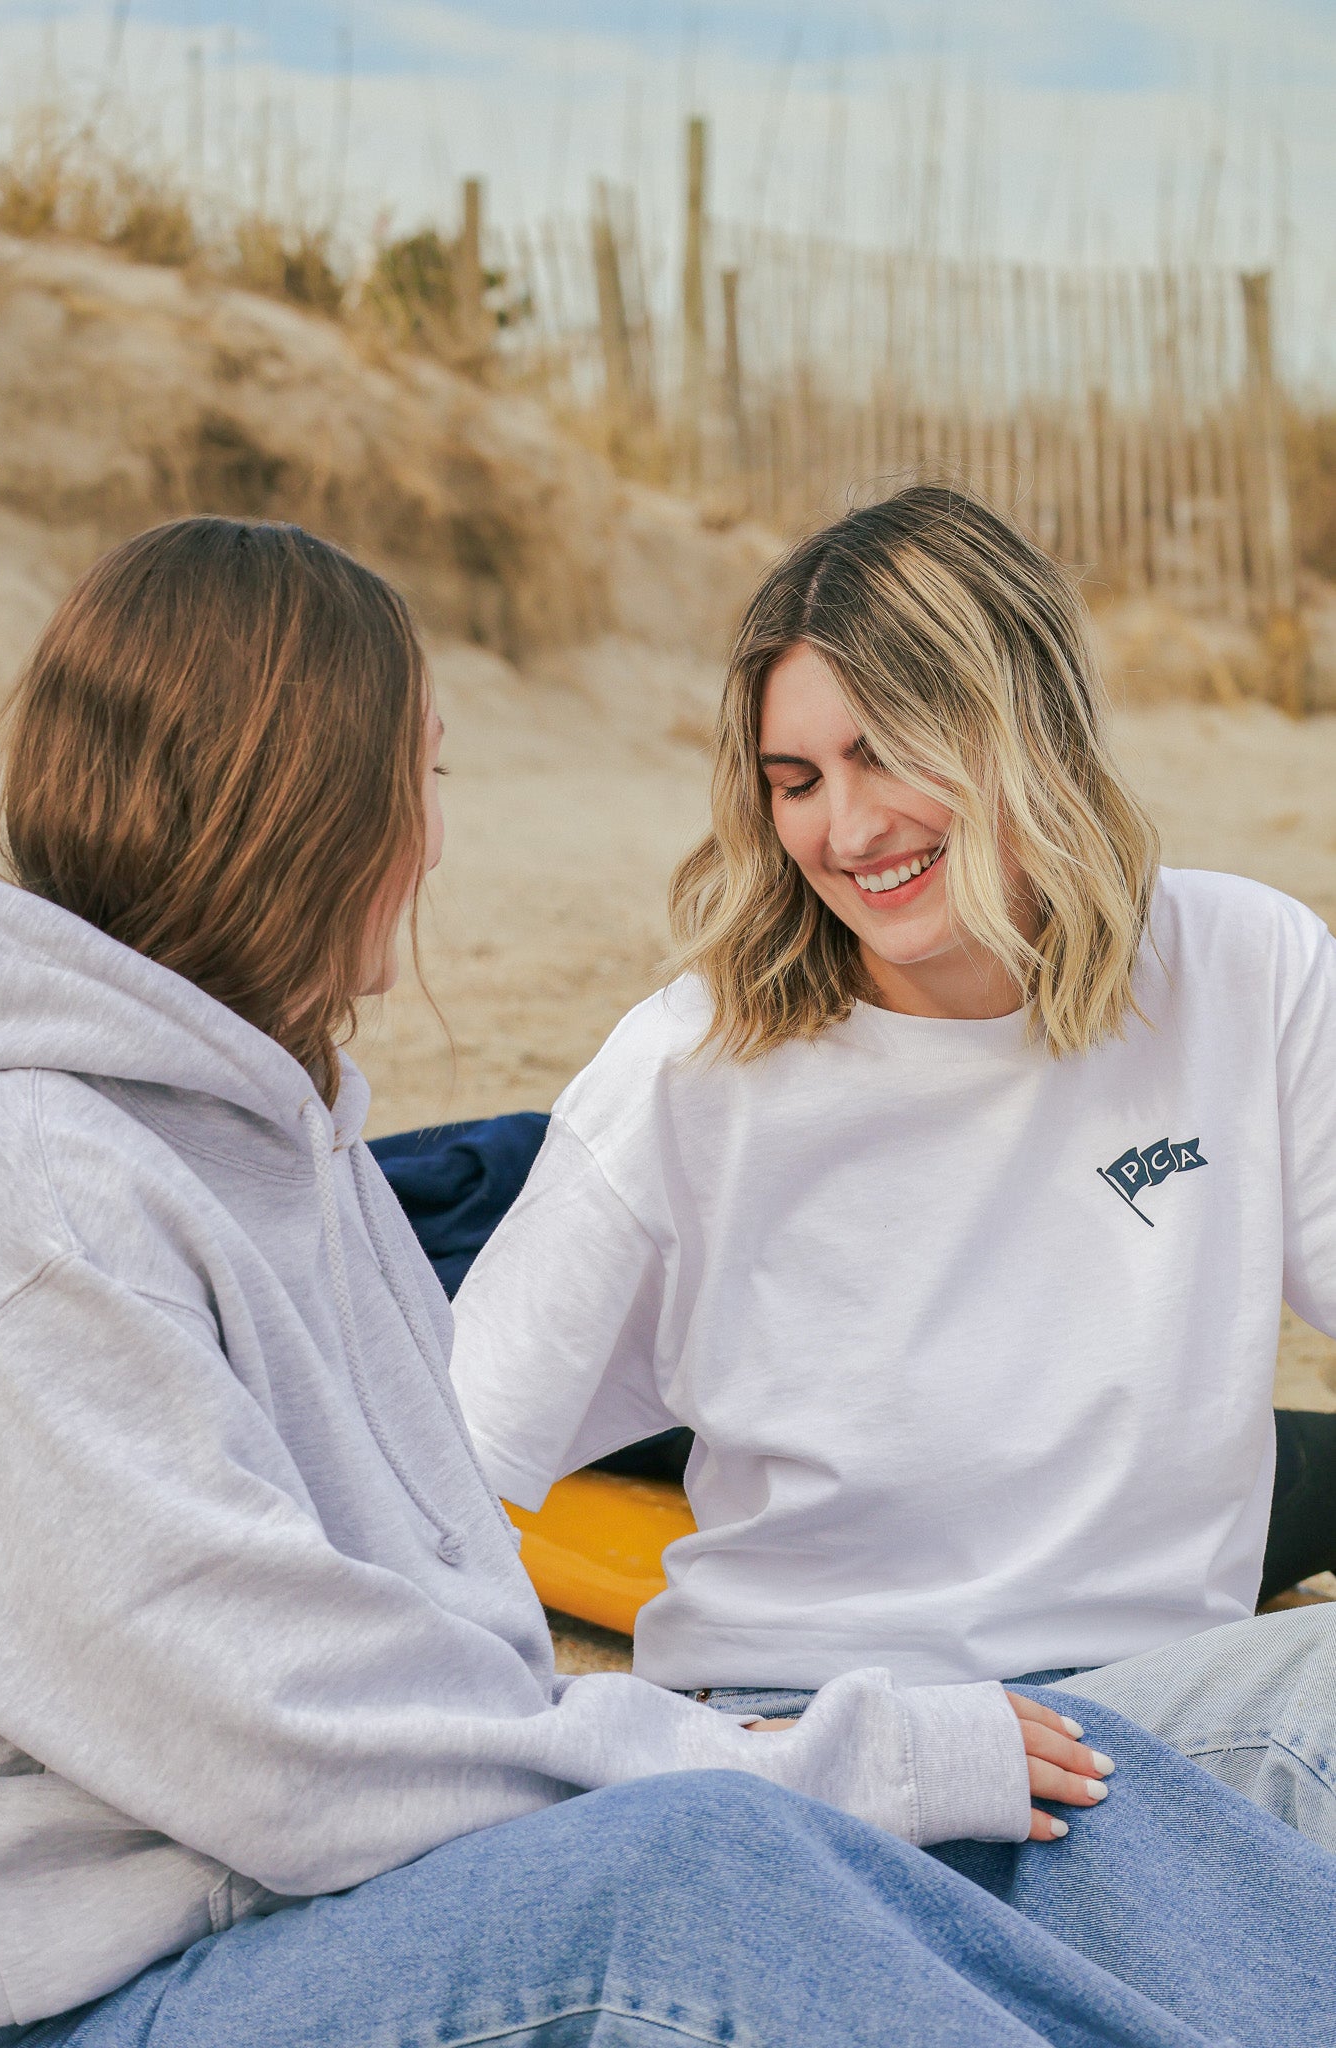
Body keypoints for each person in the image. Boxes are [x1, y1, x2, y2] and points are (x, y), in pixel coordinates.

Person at [0, 515, 1334, 2048]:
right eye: (416, 781)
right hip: (137, 1972)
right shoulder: (31, 1199)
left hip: (384, 1874)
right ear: (296, 806)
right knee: (708, 1868)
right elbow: (304, 1748)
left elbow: (420, 1593)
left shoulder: (296, 1139)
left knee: (1100, 1807)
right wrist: (808, 1759)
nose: (433, 841)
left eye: (884, 753)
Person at [449, 485, 1336, 1854]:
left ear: (1017, 725)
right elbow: (434, 1469)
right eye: (794, 781)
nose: (846, 832)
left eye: (883, 756)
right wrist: (715, 1754)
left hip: (1146, 1726)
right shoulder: (688, 1068)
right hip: (820, 1737)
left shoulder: (1246, 970)